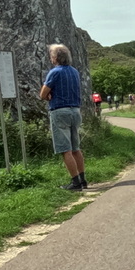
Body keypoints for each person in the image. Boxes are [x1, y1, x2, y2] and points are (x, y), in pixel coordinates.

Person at [39, 43, 86, 190]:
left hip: (60, 111)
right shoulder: (74, 72)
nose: (50, 58)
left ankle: (75, 182)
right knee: (75, 148)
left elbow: (42, 94)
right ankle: (83, 180)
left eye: (51, 56)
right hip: (75, 111)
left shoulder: (55, 72)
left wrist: (49, 96)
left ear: (55, 57)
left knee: (65, 149)